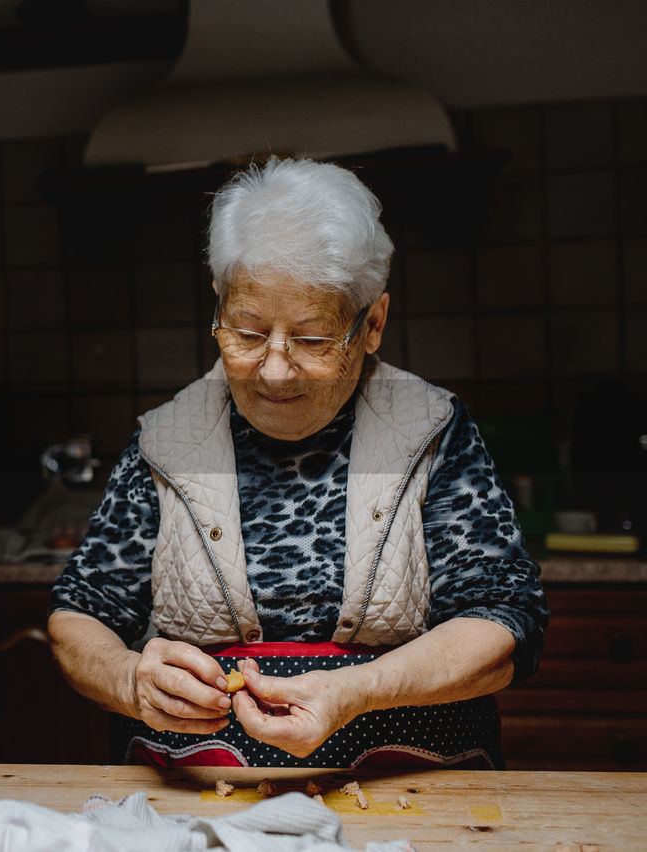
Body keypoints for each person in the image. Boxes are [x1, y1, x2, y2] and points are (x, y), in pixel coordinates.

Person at [48, 157, 548, 769]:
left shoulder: (433, 431)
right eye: (248, 332)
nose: (276, 368)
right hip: (196, 805)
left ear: (373, 325)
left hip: (411, 796)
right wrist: (129, 679)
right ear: (217, 306)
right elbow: (78, 616)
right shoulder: (165, 440)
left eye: (312, 339)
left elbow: (504, 625)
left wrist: (358, 690)